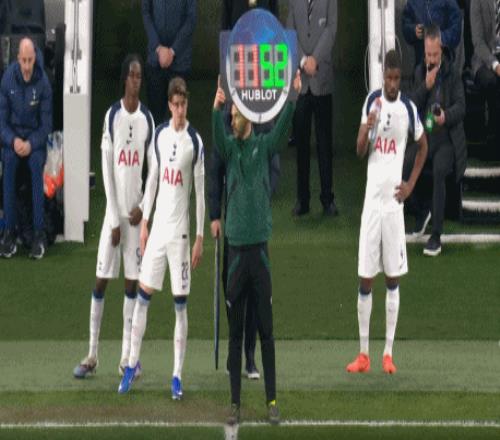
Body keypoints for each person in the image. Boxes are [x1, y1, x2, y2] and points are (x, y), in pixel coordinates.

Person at [212, 71, 301, 426]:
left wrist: (293, 98)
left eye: (236, 114)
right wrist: (216, 109)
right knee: (235, 335)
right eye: (231, 115)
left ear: (248, 117)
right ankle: (234, 403)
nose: (233, 119)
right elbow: (217, 136)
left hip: (259, 252)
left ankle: (272, 400)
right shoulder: (229, 148)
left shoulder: (262, 147)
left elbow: (281, 132)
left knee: (266, 331)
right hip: (236, 252)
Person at [118, 77, 205, 400]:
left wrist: (199, 237)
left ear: (187, 104)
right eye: (175, 105)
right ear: (169, 105)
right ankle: (130, 365)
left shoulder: (194, 142)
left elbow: (199, 192)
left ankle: (177, 376)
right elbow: (153, 179)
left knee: (180, 306)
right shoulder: (159, 136)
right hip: (157, 234)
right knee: (143, 298)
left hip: (180, 237)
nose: (180, 110)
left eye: (184, 104)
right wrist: (145, 221)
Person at [209, 0, 282, 383]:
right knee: (233, 290)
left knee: (256, 294)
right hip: (233, 221)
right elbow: (215, 167)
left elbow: (272, 162)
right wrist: (214, 214)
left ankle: (251, 356)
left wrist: (262, 191)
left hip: (254, 220)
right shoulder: (226, 119)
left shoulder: (263, 116)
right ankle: (236, 352)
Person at [72, 54, 154, 379]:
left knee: (132, 284)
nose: (136, 80)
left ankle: (126, 359)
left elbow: (154, 169)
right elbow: (106, 169)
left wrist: (143, 207)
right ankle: (92, 354)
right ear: (124, 78)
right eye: (132, 75)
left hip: (135, 217)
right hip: (114, 217)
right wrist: (116, 218)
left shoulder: (147, 119)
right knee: (101, 279)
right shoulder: (112, 116)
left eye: (139, 75)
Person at [346, 50, 428, 375]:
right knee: (366, 277)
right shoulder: (372, 102)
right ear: (383, 76)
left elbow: (423, 146)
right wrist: (367, 129)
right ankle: (363, 354)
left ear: (400, 77)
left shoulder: (408, 109)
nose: (392, 84)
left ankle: (388, 353)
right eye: (388, 78)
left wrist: (410, 185)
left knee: (393, 277)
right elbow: (359, 151)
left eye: (396, 79)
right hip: (371, 205)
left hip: (393, 206)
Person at [407, 24, 466, 256]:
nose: (431, 59)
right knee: (402, 165)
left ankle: (436, 235)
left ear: (441, 49)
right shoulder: (419, 71)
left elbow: (461, 107)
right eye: (428, 54)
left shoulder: (453, 72)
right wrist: (425, 86)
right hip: (425, 138)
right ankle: (421, 211)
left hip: (447, 139)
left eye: (434, 54)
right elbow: (411, 104)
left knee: (440, 170)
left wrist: (445, 116)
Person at [0, 37, 52, 259]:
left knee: (35, 167)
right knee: (9, 164)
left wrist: (31, 143)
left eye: (31, 60)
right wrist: (13, 141)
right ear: (18, 58)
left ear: (35, 58)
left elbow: (46, 125)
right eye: (24, 60)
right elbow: (1, 122)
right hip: (13, 140)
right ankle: (9, 234)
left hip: (34, 141)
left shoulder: (43, 82)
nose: (28, 66)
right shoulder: (7, 79)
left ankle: (39, 235)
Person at [287, 0, 338, 217]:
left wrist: (315, 59)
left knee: (324, 143)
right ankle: (303, 200)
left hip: (322, 79)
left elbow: (331, 29)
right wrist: (302, 61)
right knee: (301, 144)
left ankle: (327, 199)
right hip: (300, 83)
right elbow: (290, 32)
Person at [141, 0, 197, 125]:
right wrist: (158, 47)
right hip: (155, 61)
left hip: (180, 63)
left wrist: (172, 51)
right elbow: (146, 12)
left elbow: (191, 18)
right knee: (154, 119)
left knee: (178, 120)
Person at [470, 0, 500, 151]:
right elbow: (478, 42)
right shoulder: (477, 2)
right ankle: (494, 136)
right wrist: (495, 64)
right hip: (484, 58)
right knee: (492, 81)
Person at [402, 0, 462, 69]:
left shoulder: (449, 2)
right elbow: (405, 26)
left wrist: (438, 38)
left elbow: (455, 31)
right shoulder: (412, 2)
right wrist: (413, 30)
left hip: (444, 64)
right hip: (421, 63)